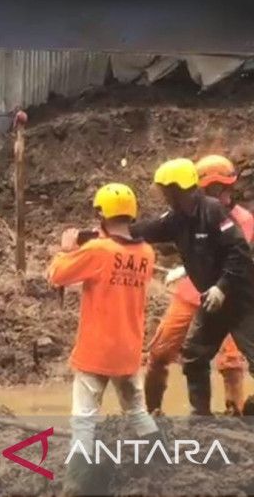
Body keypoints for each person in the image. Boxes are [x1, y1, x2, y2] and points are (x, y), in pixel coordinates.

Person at [48, 183, 160, 495]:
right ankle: (156, 467)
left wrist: (67, 249)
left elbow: (57, 274)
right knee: (136, 409)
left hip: (96, 351)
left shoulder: (98, 250)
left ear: (101, 214)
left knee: (84, 419)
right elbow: (120, 263)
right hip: (129, 350)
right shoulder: (147, 253)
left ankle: (77, 487)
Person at [131, 158, 254, 415]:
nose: (165, 196)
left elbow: (238, 250)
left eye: (168, 191)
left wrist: (222, 286)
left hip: (242, 299)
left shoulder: (213, 211)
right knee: (194, 356)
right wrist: (111, 230)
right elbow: (146, 229)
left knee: (242, 359)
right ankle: (201, 417)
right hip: (210, 300)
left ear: (180, 189)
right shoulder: (176, 219)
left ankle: (239, 410)